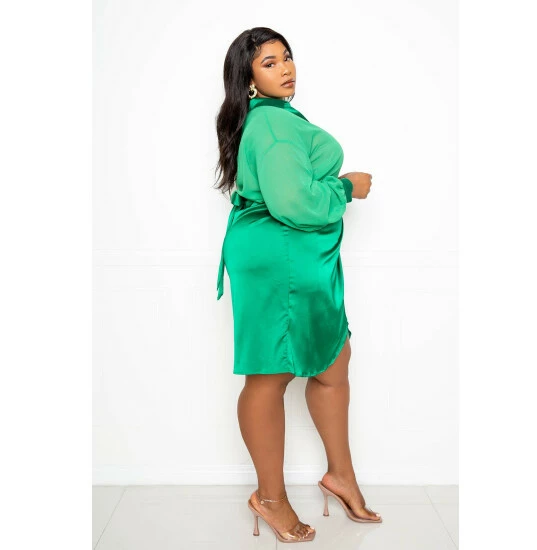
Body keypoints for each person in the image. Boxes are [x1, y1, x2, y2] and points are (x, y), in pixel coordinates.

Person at [214, 27, 381, 543]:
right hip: (280, 257)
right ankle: (270, 497)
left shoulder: (274, 118)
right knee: (271, 374)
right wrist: (345, 188)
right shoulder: (272, 125)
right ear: (248, 80)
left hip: (290, 256)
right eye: (269, 62)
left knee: (333, 359)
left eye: (286, 57)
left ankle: (341, 475)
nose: (285, 68)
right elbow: (295, 203)